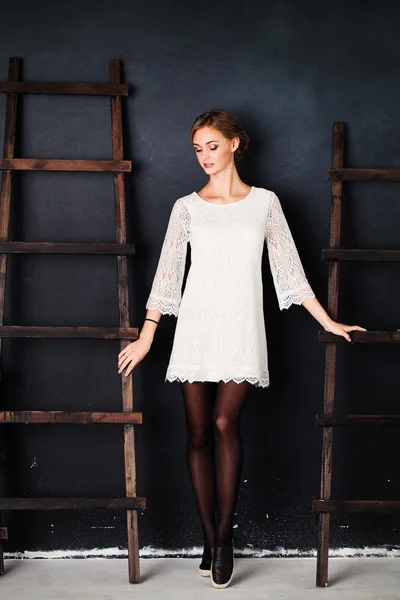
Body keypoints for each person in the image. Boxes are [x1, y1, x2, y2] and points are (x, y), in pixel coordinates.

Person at [117, 108, 366, 589]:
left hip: (242, 328)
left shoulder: (266, 204)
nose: (204, 157)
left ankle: (226, 537)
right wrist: (148, 334)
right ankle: (208, 537)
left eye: (212, 146)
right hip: (195, 328)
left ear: (235, 143)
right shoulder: (186, 207)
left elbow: (290, 273)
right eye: (197, 150)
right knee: (196, 434)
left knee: (225, 422)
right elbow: (167, 276)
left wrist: (329, 321)